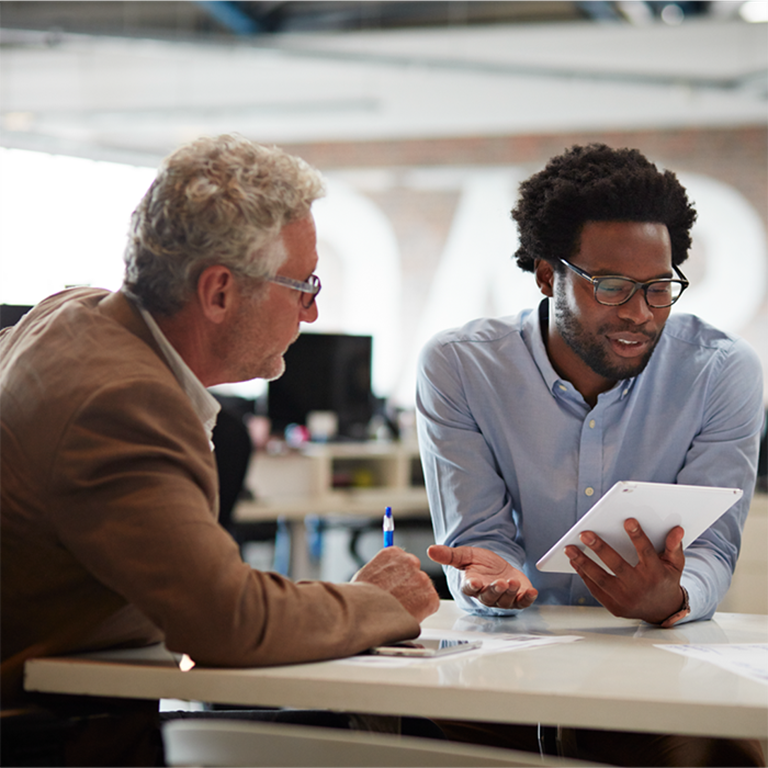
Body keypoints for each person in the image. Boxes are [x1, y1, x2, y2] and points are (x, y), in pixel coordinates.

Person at [0, 134, 440, 766]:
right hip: (54, 735)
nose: (311, 314)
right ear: (219, 292)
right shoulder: (123, 402)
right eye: (303, 285)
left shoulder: (69, 316)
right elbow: (228, 622)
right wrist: (381, 603)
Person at [416, 143, 765, 768]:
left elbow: (711, 549)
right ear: (549, 275)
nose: (639, 313)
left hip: (655, 666)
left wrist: (673, 597)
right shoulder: (461, 367)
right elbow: (479, 537)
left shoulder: (721, 371)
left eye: (660, 288)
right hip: (512, 666)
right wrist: (491, 579)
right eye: (612, 287)